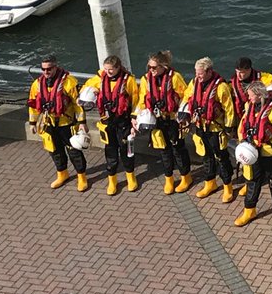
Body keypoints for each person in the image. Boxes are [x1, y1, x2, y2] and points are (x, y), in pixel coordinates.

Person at [234, 80, 272, 230]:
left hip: (270, 153)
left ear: (259, 95)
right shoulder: (249, 107)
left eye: (251, 95)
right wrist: (242, 143)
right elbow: (242, 126)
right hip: (252, 152)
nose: (249, 98)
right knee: (252, 181)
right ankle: (249, 210)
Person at [28, 55, 89, 191]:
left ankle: (81, 176)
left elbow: (78, 105)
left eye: (49, 69)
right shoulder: (37, 85)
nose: (46, 72)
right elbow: (33, 105)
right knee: (54, 150)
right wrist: (32, 123)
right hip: (48, 123)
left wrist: (82, 122)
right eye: (43, 69)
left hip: (66, 123)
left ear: (55, 67)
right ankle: (62, 173)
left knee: (74, 150)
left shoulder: (69, 82)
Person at [81, 54, 139, 195]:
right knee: (110, 151)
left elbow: (136, 100)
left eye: (111, 70)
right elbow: (84, 89)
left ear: (118, 67)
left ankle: (131, 177)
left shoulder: (128, 80)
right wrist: (90, 92)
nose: (108, 72)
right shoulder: (99, 79)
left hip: (123, 122)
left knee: (127, 151)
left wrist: (134, 119)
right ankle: (112, 180)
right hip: (107, 122)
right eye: (106, 69)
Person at [180, 57, 236, 202]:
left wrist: (229, 126)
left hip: (216, 129)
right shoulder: (194, 83)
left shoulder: (221, 87)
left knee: (221, 157)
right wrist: (184, 112)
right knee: (206, 156)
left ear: (209, 71)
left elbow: (228, 108)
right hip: (200, 125)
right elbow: (187, 96)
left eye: (200, 73)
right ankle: (210, 182)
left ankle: (227, 186)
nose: (198, 76)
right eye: (196, 73)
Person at [139, 50, 191, 194]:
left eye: (154, 67)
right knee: (163, 149)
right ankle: (168, 178)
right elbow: (142, 99)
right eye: (149, 67)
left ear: (164, 66)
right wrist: (137, 116)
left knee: (178, 149)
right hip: (157, 120)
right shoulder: (145, 80)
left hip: (173, 120)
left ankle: (185, 177)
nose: (151, 70)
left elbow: (185, 96)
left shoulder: (175, 78)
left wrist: (184, 117)